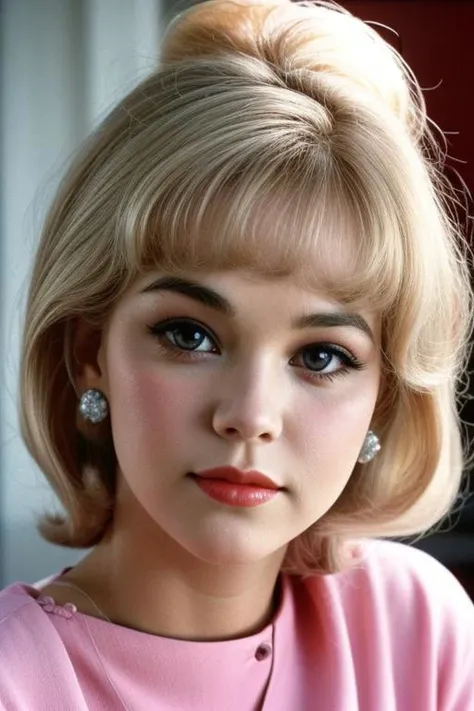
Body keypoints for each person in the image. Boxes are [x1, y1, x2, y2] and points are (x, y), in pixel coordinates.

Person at [1, 0, 474, 708]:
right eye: (190, 335)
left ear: (384, 392)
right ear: (89, 350)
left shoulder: (417, 627)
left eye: (320, 356)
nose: (250, 415)